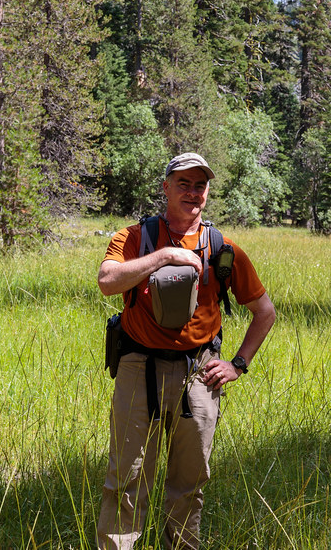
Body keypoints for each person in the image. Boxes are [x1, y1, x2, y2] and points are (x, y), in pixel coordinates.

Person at [96, 152, 276, 550]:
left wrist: (237, 364)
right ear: (165, 188)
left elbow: (265, 312)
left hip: (200, 373)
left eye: (200, 186)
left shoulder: (223, 249)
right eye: (183, 184)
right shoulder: (134, 237)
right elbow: (107, 281)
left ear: (207, 193)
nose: (192, 193)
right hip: (137, 366)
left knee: (189, 484)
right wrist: (165, 256)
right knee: (126, 480)